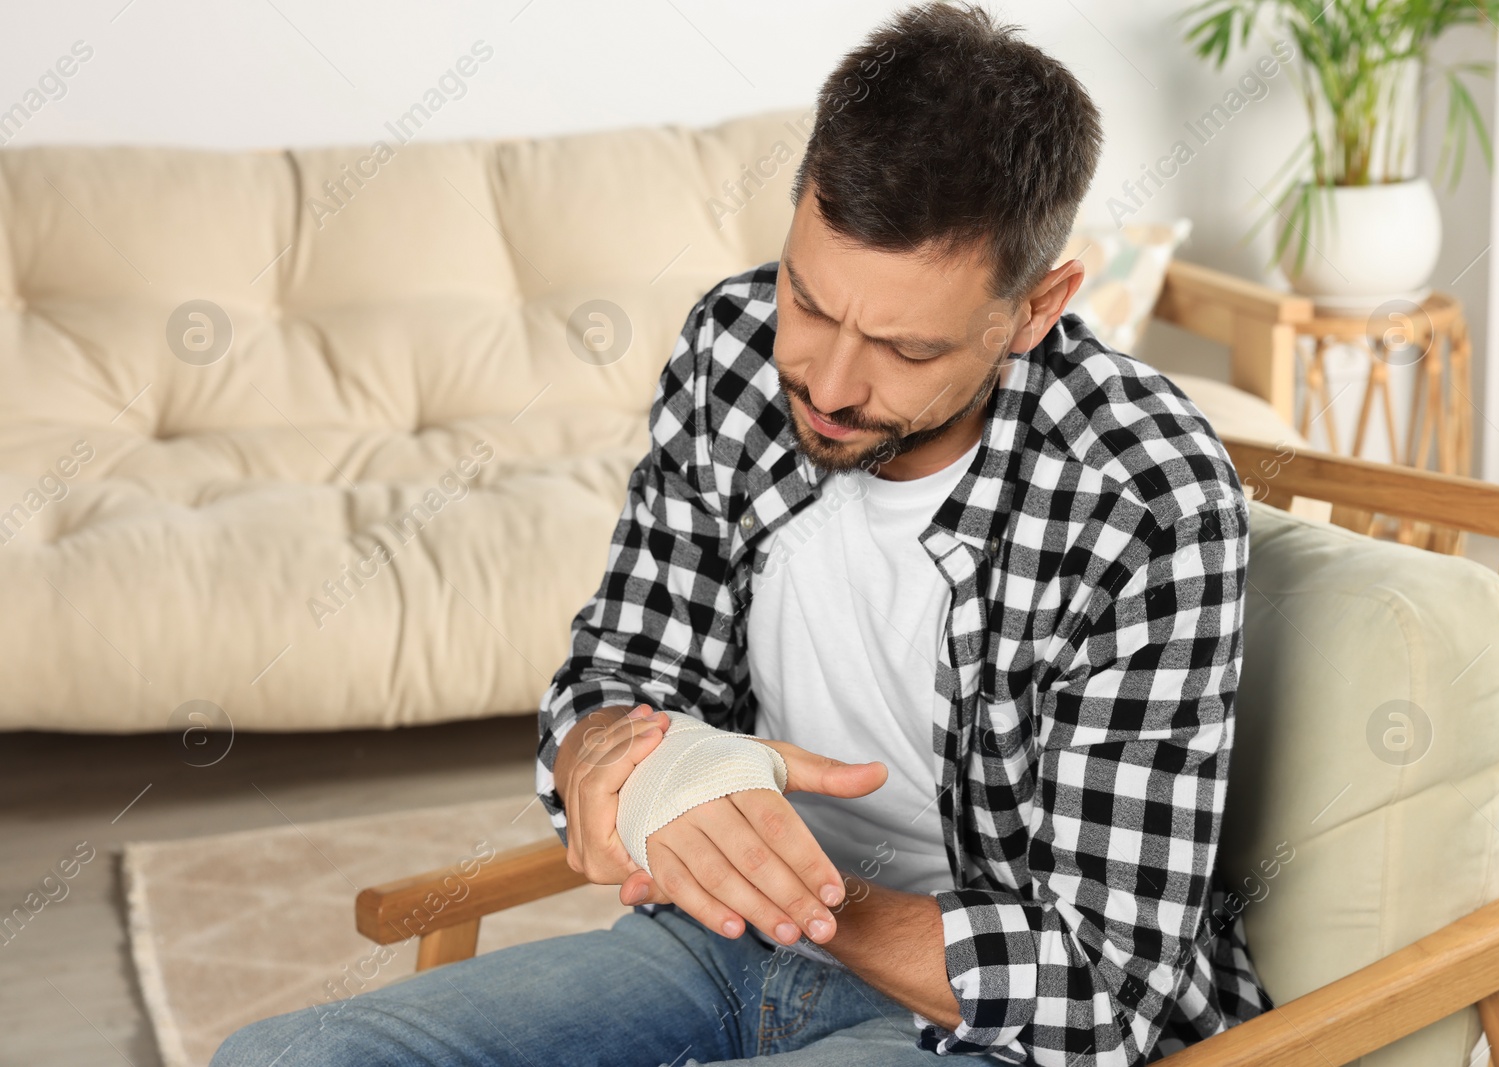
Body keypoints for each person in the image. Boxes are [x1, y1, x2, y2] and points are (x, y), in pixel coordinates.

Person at [212, 3, 1271, 1064]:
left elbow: (1102, 989)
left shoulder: (1144, 499)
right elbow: (618, 679)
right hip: (719, 943)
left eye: (903, 348)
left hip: (982, 1020)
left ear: (1035, 311)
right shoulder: (732, 347)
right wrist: (603, 763)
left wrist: (794, 886)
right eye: (810, 302)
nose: (828, 381)